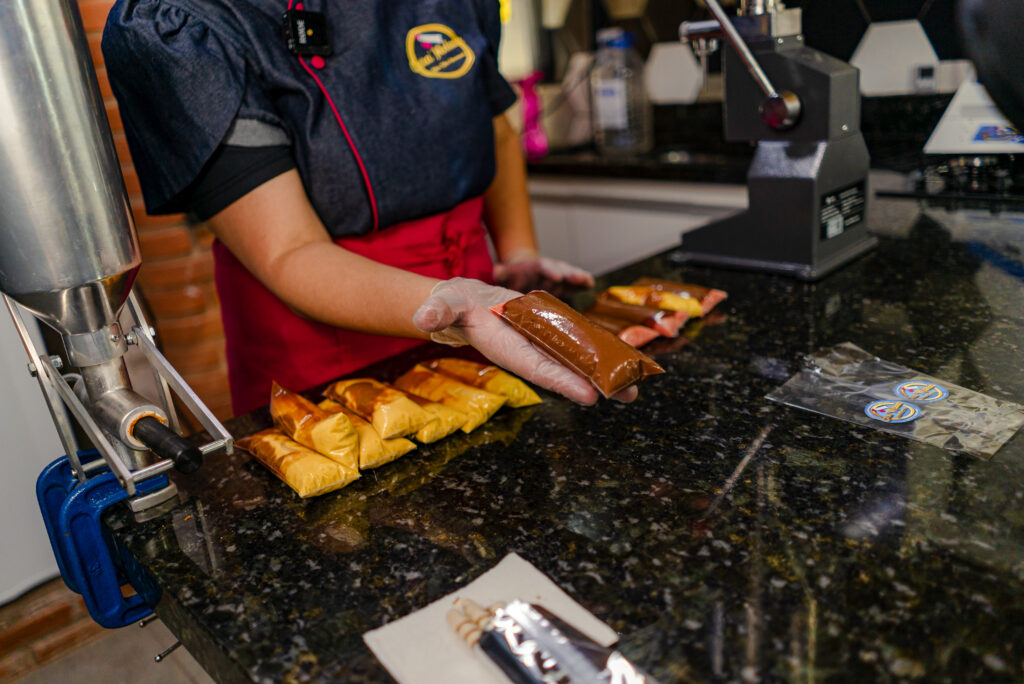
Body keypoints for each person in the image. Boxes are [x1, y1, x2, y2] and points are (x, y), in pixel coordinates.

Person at [103, 0, 635, 415]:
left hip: (475, 312)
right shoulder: (184, 25)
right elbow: (290, 251)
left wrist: (517, 252)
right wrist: (461, 305)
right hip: (324, 339)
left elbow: (492, 125)